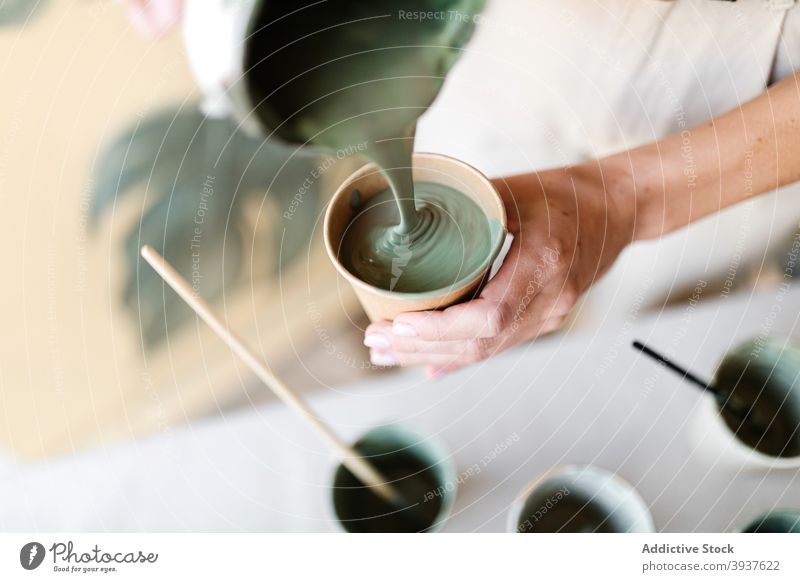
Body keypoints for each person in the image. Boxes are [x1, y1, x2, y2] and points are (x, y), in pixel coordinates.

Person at [125, 0, 800, 377]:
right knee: (509, 264)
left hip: (737, 83)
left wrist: (624, 201)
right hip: (429, 36)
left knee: (658, 311)